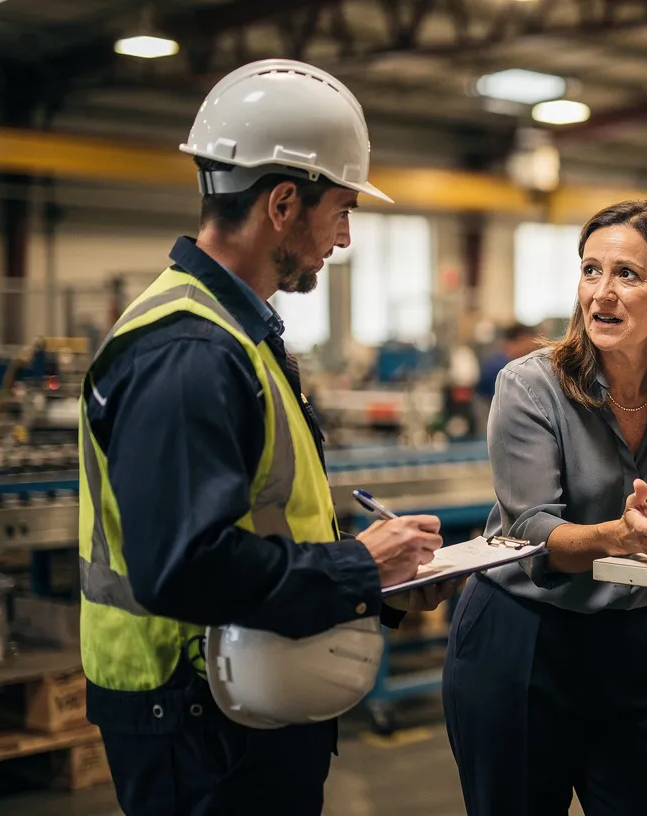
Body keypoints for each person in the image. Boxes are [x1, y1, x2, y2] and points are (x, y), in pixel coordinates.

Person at [76, 58, 449, 815]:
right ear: (282, 202)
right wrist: (357, 566)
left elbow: (264, 529)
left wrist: (381, 583)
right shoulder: (190, 353)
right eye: (341, 209)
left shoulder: (234, 335)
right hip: (200, 727)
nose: (344, 236)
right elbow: (185, 567)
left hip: (238, 703)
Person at [443, 200, 647, 816]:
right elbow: (531, 529)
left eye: (626, 274)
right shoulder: (530, 384)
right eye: (590, 270)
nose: (601, 293)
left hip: (633, 643)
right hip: (520, 641)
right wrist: (614, 538)